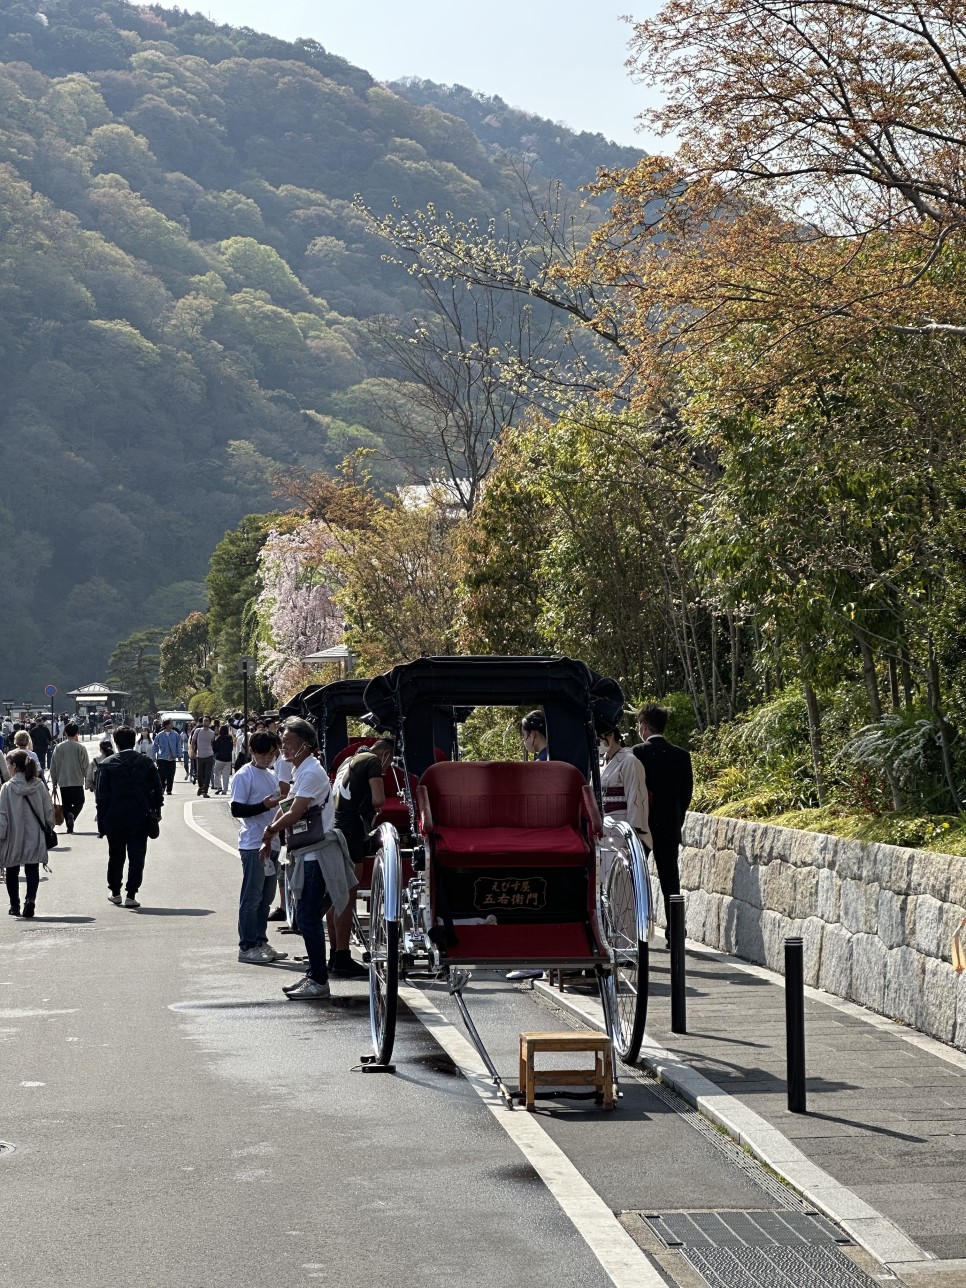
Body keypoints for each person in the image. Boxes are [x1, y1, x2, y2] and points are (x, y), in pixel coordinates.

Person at [259, 718, 337, 1001]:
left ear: (305, 744)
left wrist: (269, 831)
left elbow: (295, 813)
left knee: (306, 917)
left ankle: (319, 980)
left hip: (315, 853)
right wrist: (270, 836)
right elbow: (287, 807)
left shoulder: (310, 772)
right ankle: (315, 974)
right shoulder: (301, 770)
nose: (284, 748)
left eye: (288, 742)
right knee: (306, 917)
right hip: (305, 851)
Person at [330, 739, 394, 978]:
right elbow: (379, 800)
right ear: (386, 754)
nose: (386, 770)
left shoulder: (349, 760)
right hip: (352, 830)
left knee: (337, 894)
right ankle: (343, 958)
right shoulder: (373, 760)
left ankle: (334, 953)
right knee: (348, 894)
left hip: (336, 827)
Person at [632, 704, 694, 929]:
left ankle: (636, 927)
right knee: (670, 880)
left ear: (645, 726)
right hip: (669, 825)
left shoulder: (638, 753)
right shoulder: (682, 755)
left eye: (640, 724)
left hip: (644, 826)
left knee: (636, 878)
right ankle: (675, 931)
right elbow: (686, 793)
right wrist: (677, 818)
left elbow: (636, 790)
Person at [230, 731, 288, 965]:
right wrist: (263, 805)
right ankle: (247, 945)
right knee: (252, 897)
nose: (267, 759)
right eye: (262, 754)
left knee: (266, 898)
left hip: (272, 841)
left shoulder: (273, 775)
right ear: (251, 751)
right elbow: (236, 809)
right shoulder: (244, 775)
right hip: (254, 842)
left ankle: (260, 940)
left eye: (272, 754)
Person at [95, 726, 163, 909]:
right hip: (140, 816)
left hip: (114, 817)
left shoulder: (107, 764)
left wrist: (102, 822)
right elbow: (158, 789)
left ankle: (115, 892)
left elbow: (101, 796)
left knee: (115, 855)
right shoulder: (146, 762)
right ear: (134, 742)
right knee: (137, 856)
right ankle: (131, 894)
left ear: (116, 743)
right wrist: (156, 811)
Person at [0, 750, 54, 918]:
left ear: (15, 766)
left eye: (9, 765)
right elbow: (48, 811)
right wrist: (49, 826)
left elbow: (2, 815)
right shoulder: (38, 785)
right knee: (32, 868)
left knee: (12, 869)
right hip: (34, 834)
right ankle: (30, 899)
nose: (8, 768)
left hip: (12, 835)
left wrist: (1, 835)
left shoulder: (7, 788)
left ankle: (14, 905)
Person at [599, 724, 652, 847]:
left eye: (600, 739)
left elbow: (634, 797)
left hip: (621, 823)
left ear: (611, 736)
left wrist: (631, 834)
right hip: (603, 824)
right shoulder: (601, 762)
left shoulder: (629, 761)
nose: (599, 744)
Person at [49, 722, 89, 833]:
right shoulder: (80, 747)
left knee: (66, 803)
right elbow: (85, 765)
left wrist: (54, 781)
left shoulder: (58, 747)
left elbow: (53, 766)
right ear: (77, 733)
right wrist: (88, 780)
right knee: (80, 801)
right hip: (77, 779)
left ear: (65, 733)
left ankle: (69, 823)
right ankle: (73, 814)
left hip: (63, 781)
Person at [152, 719, 180, 796]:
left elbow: (178, 745)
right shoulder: (160, 735)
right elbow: (154, 746)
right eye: (170, 723)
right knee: (162, 775)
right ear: (166, 725)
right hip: (162, 758)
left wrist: (179, 755)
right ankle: (162, 789)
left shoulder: (175, 734)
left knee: (171, 775)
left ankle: (169, 790)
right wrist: (154, 756)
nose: (172, 725)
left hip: (172, 758)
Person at [190, 715, 216, 798]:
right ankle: (201, 787)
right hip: (199, 755)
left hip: (209, 755)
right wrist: (193, 751)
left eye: (207, 721)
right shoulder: (198, 731)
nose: (205, 722)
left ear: (210, 722)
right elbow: (193, 742)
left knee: (208, 774)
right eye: (204, 721)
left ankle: (205, 792)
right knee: (199, 774)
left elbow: (212, 744)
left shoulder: (212, 733)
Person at [212, 723, 234, 795]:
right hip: (228, 759)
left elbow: (215, 748)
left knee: (217, 772)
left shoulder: (219, 738)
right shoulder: (230, 738)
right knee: (226, 775)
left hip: (219, 758)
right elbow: (231, 748)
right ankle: (225, 790)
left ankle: (219, 787)